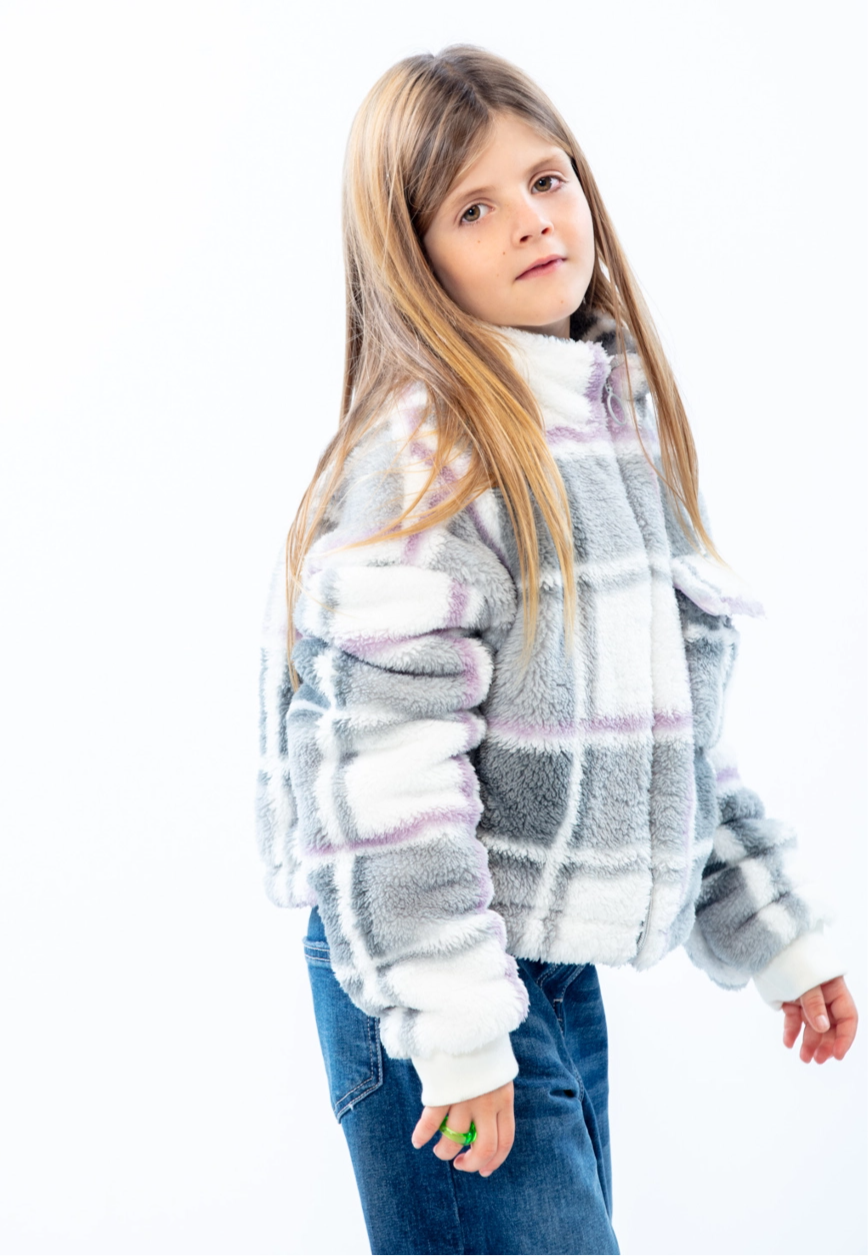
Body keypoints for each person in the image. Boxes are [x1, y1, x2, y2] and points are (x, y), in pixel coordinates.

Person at [254, 44, 858, 1256]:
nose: (533, 221)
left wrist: (774, 934)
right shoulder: (424, 464)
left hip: (540, 966)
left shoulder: (603, 425)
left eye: (547, 179)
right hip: (428, 972)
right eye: (473, 208)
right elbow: (386, 789)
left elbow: (667, 744)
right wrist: (459, 1027)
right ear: (412, 257)